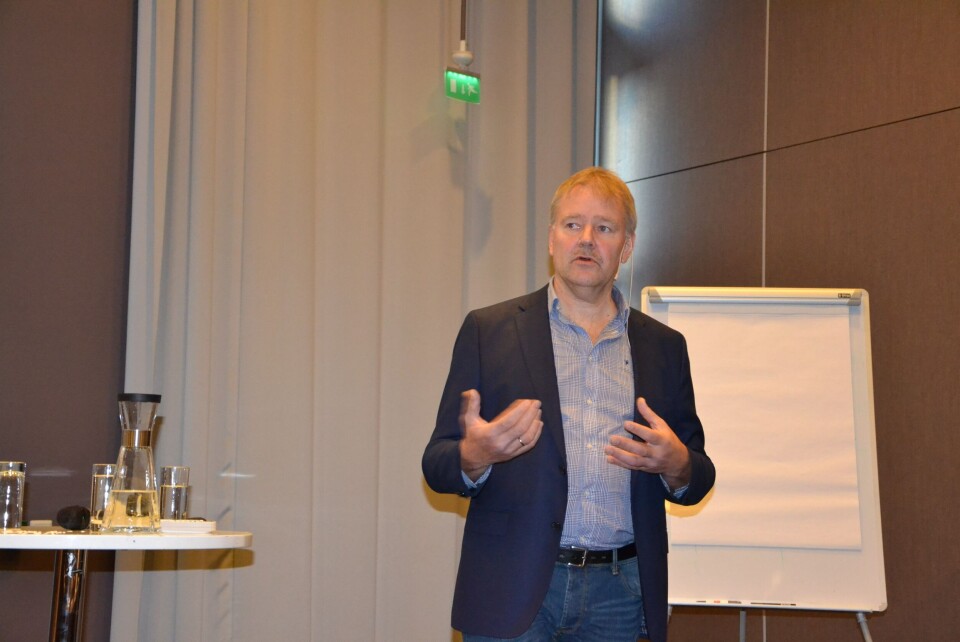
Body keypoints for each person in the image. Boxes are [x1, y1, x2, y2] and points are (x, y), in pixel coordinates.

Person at [422, 167, 715, 642]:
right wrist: (476, 455)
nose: (586, 239)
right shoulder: (489, 330)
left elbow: (698, 472)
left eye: (604, 228)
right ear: (552, 239)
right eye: (572, 224)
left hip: (619, 596)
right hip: (512, 588)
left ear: (626, 247)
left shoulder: (664, 346)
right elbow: (437, 463)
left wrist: (678, 464)